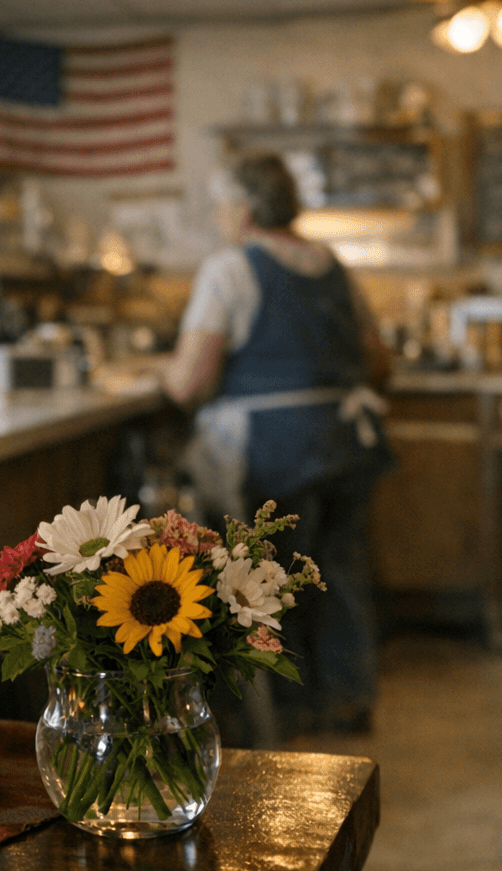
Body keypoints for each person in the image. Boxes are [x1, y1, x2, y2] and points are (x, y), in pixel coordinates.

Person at [162, 153, 394, 739]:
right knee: (339, 569)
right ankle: (347, 698)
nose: (218, 217)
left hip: (272, 453)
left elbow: (189, 384)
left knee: (268, 577)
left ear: (243, 208)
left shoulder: (230, 268)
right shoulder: (334, 266)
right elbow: (378, 361)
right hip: (346, 444)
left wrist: (161, 371)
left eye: (220, 206)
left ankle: (282, 711)